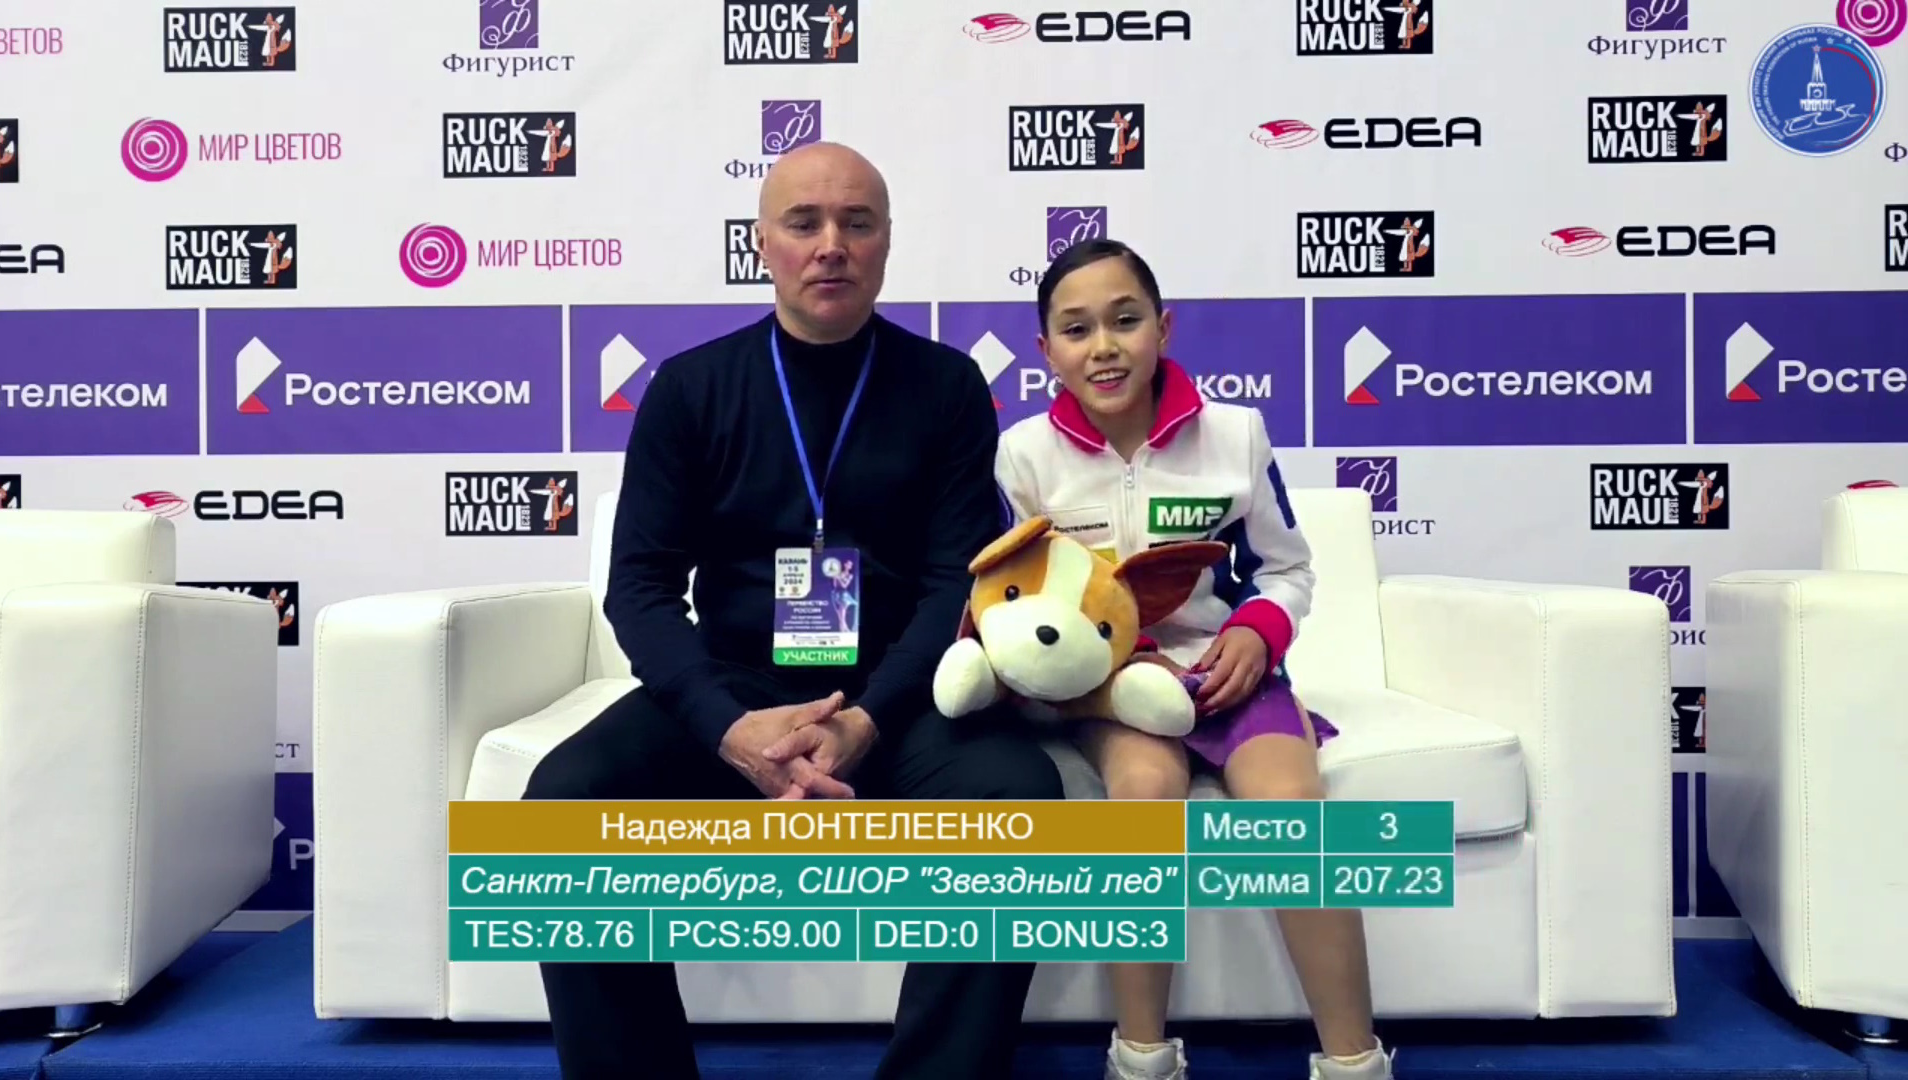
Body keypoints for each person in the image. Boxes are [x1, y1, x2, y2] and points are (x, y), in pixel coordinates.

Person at [522, 141, 1066, 1080]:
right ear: (761, 243)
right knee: (563, 803)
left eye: (857, 223)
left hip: (901, 697)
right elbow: (640, 587)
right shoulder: (691, 387)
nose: (831, 245)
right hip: (735, 690)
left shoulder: (945, 387)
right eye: (804, 223)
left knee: (1016, 798)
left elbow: (957, 584)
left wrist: (864, 720)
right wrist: (726, 726)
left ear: (887, 242)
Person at [992, 238, 1393, 1080]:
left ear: (1164, 328)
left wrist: (1257, 634)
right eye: (1077, 330)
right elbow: (1016, 601)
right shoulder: (1024, 455)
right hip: (1114, 690)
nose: (1104, 347)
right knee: (1142, 794)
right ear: (1046, 351)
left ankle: (1354, 1062)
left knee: (1293, 811)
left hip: (1232, 677)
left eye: (1125, 320)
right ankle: (1142, 1057)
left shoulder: (1235, 435)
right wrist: (1115, 670)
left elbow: (1287, 570)